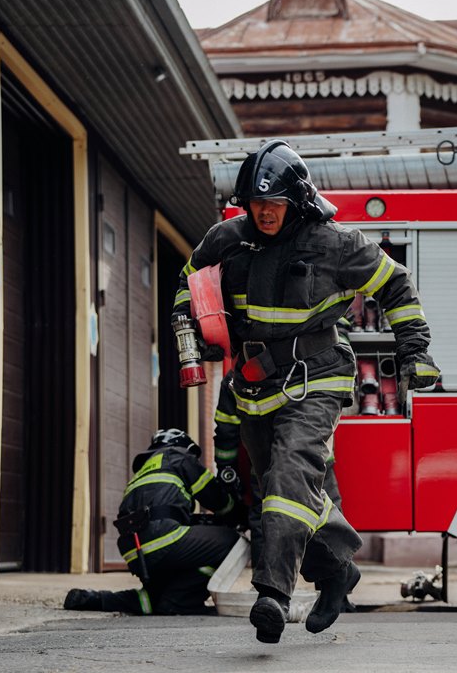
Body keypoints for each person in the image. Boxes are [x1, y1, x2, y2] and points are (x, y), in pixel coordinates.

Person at [172, 140, 439, 643]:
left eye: (273, 203)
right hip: (254, 383)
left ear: (296, 199)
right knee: (294, 490)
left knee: (289, 476)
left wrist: (414, 352)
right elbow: (188, 285)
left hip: (317, 375)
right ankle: (337, 571)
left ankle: (272, 593)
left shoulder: (336, 244)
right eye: (255, 202)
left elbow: (397, 286)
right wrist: (192, 331)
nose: (263, 212)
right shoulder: (227, 238)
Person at [63, 428, 248, 616]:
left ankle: (97, 599)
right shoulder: (178, 456)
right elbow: (217, 500)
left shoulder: (143, 470)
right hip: (164, 539)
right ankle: (181, 601)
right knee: (232, 543)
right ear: (184, 446)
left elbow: (160, 512)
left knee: (152, 599)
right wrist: (242, 514)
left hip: (135, 552)